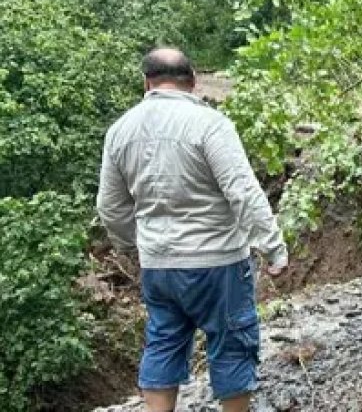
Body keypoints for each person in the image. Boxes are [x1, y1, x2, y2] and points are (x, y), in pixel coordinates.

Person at [97, 48, 288, 412]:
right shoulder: (210, 124)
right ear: (194, 81)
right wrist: (273, 248)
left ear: (146, 82)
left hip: (158, 265)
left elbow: (110, 206)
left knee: (162, 343)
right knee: (232, 345)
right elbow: (242, 191)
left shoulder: (119, 131)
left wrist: (131, 247)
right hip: (218, 262)